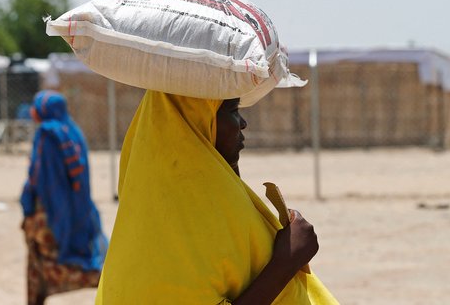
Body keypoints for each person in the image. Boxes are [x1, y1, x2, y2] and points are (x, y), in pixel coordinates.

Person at [95, 91, 337, 304]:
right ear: (195, 123)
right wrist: (286, 262)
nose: (242, 123)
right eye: (232, 110)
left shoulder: (192, 196)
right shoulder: (180, 225)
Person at [20, 90, 108, 305]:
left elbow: (38, 177)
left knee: (40, 260)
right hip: (80, 211)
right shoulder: (74, 132)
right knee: (78, 256)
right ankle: (104, 281)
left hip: (49, 212)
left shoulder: (46, 135)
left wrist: (26, 204)